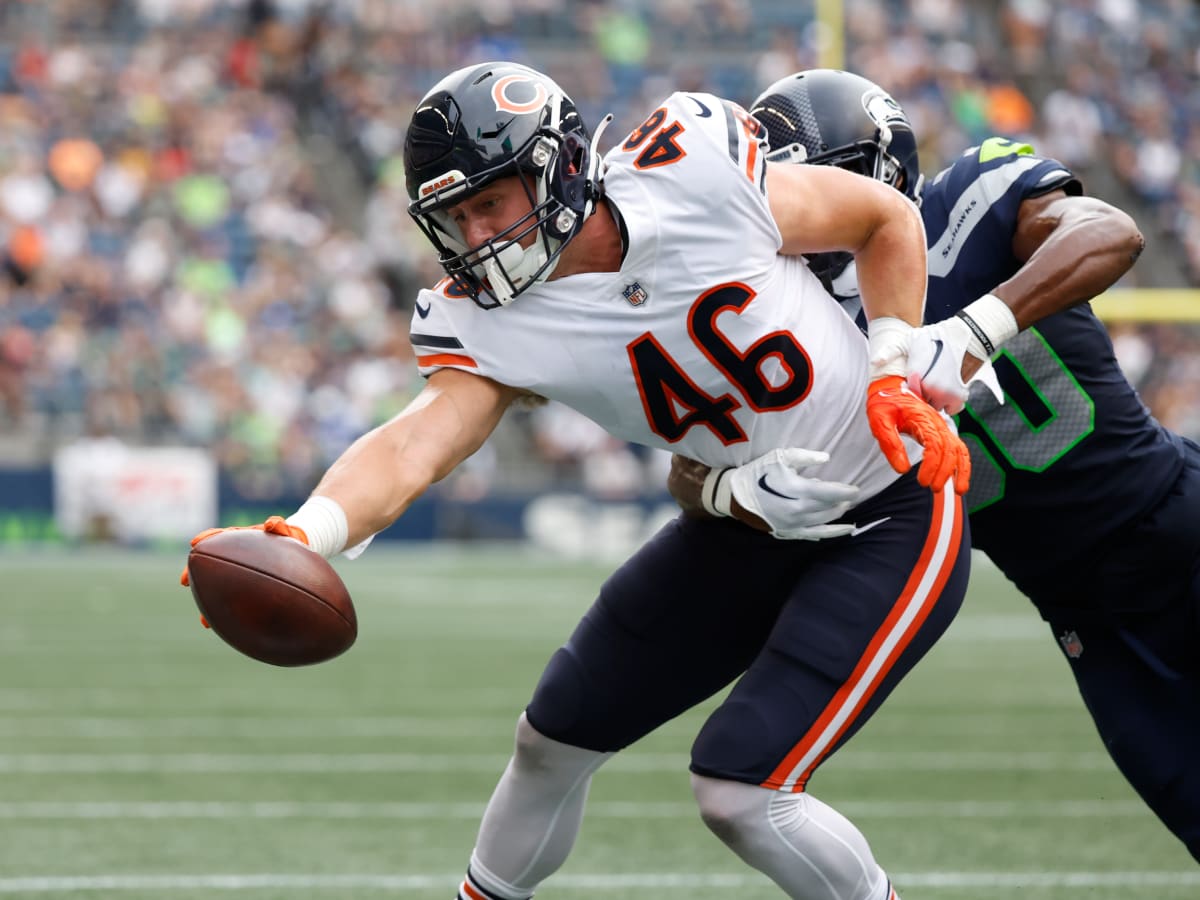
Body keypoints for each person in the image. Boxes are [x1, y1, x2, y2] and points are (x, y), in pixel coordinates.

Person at [182, 61, 973, 899]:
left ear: (557, 166)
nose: (476, 233)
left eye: (491, 201)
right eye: (454, 215)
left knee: (741, 792)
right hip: (743, 525)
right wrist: (308, 532)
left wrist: (891, 367)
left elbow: (883, 217)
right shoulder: (487, 318)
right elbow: (417, 443)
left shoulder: (691, 168)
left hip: (887, 508)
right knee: (548, 741)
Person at [669, 69, 1200, 863]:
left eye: (794, 181)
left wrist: (985, 322)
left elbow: (1110, 230)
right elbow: (688, 466)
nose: (780, 211)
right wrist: (725, 487)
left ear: (869, 175)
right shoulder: (794, 330)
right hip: (1085, 619)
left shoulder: (969, 203)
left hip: (1177, 524)